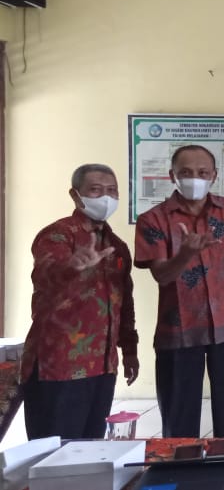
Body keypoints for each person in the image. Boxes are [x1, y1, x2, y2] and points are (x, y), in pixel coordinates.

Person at [134, 145, 224, 438]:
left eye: (203, 172)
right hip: (179, 332)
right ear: (172, 176)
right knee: (179, 419)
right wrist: (185, 255)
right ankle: (182, 465)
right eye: (186, 172)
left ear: (214, 176)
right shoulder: (153, 219)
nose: (195, 178)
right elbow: (161, 275)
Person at [22, 164, 139, 440]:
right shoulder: (58, 235)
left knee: (90, 446)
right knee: (53, 449)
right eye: (96, 190)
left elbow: (125, 303)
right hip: (58, 365)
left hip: (103, 365)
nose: (105, 197)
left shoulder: (117, 246)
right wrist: (71, 266)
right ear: (75, 195)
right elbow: (44, 274)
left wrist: (129, 349)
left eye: (112, 191)